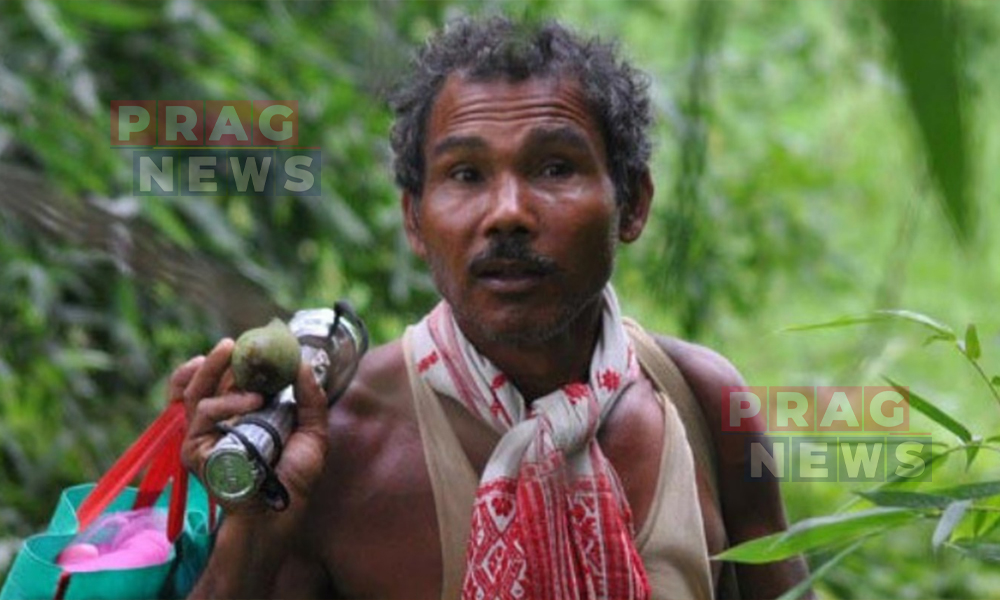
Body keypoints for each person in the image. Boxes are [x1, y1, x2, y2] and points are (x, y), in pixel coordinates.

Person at [176, 16, 810, 600]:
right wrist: (254, 525)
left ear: (634, 204)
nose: (508, 212)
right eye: (466, 175)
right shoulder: (338, 444)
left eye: (556, 168)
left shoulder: (702, 406)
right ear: (415, 219)